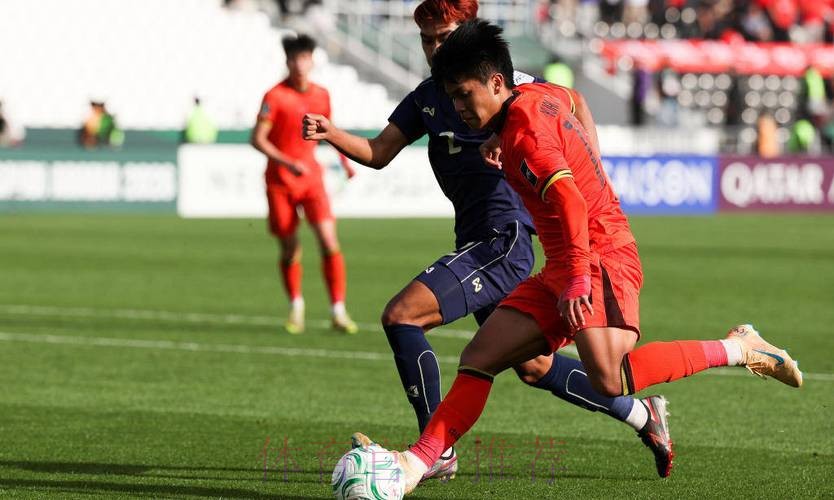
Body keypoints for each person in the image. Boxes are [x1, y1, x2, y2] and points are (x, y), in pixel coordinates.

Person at [354, 19, 803, 494]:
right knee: (479, 357)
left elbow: (569, 200)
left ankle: (739, 347)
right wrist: (515, 140)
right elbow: (570, 101)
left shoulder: (525, 135)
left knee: (611, 378)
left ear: (497, 83)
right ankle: (415, 465)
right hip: (567, 259)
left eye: (465, 95)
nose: (459, 108)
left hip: (601, 255)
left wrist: (576, 280)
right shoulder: (535, 96)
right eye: (452, 97)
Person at [304, 0, 674, 481]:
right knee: (535, 366)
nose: (434, 48)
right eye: (427, 40)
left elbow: (574, 103)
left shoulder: (505, 85)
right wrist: (333, 133)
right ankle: (644, 415)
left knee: (402, 315)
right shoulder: (428, 97)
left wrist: (590, 173)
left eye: (444, 37)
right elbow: (378, 152)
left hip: (504, 239)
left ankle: (434, 450)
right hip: (474, 239)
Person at [251, 33, 357, 335]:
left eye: (304, 58)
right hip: (280, 182)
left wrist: (346, 161)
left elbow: (329, 132)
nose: (299, 64)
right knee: (290, 248)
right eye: (294, 59)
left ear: (312, 61)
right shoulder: (275, 96)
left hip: (312, 180)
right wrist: (287, 162)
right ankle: (296, 306)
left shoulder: (321, 95)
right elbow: (257, 139)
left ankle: (338, 311)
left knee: (329, 241)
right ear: (287, 62)